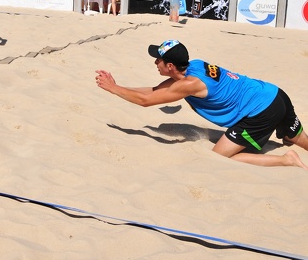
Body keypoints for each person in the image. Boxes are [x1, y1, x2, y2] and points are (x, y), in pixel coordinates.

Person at [95, 39, 308, 169]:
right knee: (294, 136)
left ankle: (286, 160)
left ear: (170, 66)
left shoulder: (189, 84)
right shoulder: (194, 66)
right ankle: (291, 145)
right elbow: (155, 91)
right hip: (274, 94)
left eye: (158, 60)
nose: (155, 63)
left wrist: (112, 89)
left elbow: (146, 101)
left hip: (261, 112)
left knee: (221, 157)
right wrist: (119, 85)